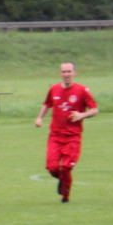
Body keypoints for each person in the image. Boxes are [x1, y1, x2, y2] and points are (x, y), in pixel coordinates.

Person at [34, 61, 98, 203]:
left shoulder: (82, 90)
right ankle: (63, 180)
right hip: (55, 136)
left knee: (66, 167)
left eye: (69, 71)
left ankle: (65, 197)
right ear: (60, 74)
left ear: (75, 73)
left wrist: (82, 115)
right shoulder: (54, 89)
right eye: (64, 71)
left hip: (73, 137)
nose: (66, 74)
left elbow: (95, 110)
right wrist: (39, 118)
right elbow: (47, 104)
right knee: (52, 168)